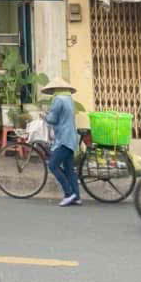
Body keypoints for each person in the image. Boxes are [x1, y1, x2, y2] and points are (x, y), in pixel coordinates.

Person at [42, 76, 81, 207]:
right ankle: (76, 196)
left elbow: (52, 119)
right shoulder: (69, 99)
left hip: (63, 139)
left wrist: (44, 116)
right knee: (69, 169)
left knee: (53, 165)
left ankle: (69, 194)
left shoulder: (58, 99)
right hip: (71, 138)